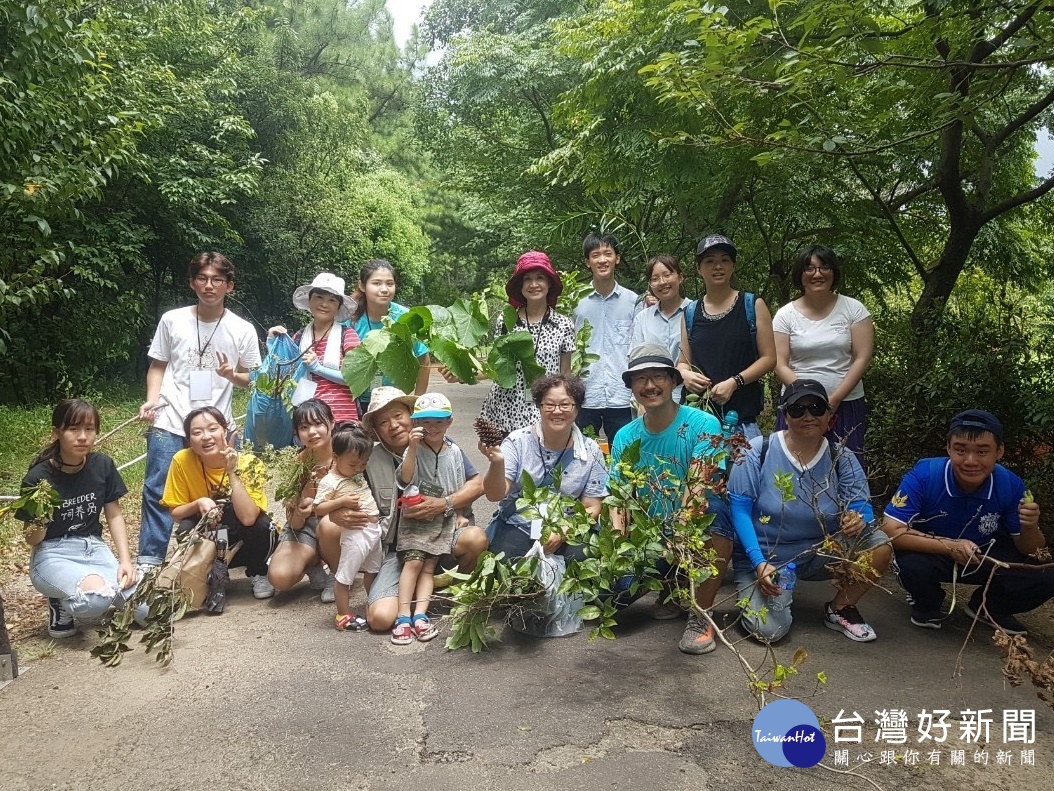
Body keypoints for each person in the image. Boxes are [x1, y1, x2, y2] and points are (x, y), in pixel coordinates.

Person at [728, 379, 891, 643]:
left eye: (816, 408)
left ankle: (840, 608)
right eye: (797, 409)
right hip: (765, 555)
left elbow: (862, 508)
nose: (808, 416)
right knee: (768, 631)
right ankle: (767, 593)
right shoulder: (757, 450)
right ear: (784, 415)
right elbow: (739, 510)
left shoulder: (842, 457)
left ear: (830, 416)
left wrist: (859, 520)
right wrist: (759, 561)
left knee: (879, 545)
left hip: (820, 552)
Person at [608, 344, 734, 656]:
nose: (649, 386)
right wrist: (617, 549)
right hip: (651, 533)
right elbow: (619, 498)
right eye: (640, 379)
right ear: (631, 387)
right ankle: (669, 589)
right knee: (613, 596)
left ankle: (701, 614)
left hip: (690, 527)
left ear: (674, 381)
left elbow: (699, 480)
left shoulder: (704, 424)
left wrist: (680, 531)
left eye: (657, 377)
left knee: (716, 513)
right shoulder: (625, 436)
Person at [137, 252, 261, 570]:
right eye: (202, 278)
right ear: (192, 283)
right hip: (170, 416)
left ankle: (228, 558)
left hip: (218, 426)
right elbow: (158, 365)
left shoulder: (242, 329)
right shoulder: (172, 320)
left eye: (217, 279)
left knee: (229, 489)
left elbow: (254, 378)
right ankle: (149, 562)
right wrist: (152, 399)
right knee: (157, 488)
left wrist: (231, 375)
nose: (209, 285)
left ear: (229, 286)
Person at [882, 409, 1052, 635]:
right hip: (933, 552)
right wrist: (950, 545)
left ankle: (988, 607)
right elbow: (891, 530)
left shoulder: (1011, 484)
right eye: (961, 450)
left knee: (1046, 571)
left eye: (982, 451)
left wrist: (1029, 526)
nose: (971, 461)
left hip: (982, 554)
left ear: (999, 451)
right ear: (949, 448)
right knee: (911, 565)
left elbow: (1033, 550)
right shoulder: (925, 475)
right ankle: (927, 602)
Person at [354, 387, 487, 632]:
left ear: (411, 416)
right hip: (397, 548)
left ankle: (446, 591)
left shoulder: (442, 443)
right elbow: (339, 482)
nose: (393, 425)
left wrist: (446, 504)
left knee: (475, 539)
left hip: (442, 534)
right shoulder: (368, 459)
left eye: (397, 416)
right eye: (383, 422)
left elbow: (478, 483)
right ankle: (410, 593)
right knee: (380, 619)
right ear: (375, 430)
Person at [17, 400, 139, 639]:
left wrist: (125, 561)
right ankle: (61, 600)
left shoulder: (102, 465)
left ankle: (96, 588)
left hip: (93, 547)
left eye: (90, 429)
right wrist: (41, 513)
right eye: (73, 429)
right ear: (57, 432)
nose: (83, 437)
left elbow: (114, 514)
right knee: (95, 600)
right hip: (53, 552)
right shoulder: (37, 479)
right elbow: (32, 539)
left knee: (145, 608)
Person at [480, 374, 608, 560]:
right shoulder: (517, 442)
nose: (557, 411)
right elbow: (494, 495)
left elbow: (591, 506)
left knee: (582, 561)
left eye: (565, 405)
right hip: (521, 525)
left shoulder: (591, 451)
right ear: (539, 407)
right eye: (549, 405)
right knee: (505, 563)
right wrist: (496, 463)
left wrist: (563, 532)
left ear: (577, 409)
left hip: (569, 526)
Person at [160, 406, 275, 600]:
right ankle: (210, 571)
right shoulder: (182, 460)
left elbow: (248, 518)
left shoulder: (250, 462)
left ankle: (258, 571)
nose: (206, 437)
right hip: (213, 536)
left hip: (244, 537)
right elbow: (176, 512)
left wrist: (232, 472)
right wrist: (198, 503)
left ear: (225, 429)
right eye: (197, 432)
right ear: (189, 440)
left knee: (262, 525)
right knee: (186, 528)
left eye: (212, 428)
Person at [773, 245, 874, 463]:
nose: (817, 274)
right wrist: (808, 397)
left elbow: (862, 357)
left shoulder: (854, 309)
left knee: (845, 464)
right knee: (792, 464)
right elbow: (779, 363)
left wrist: (833, 401)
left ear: (834, 272)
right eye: (809, 269)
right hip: (797, 405)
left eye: (824, 267)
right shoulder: (785, 315)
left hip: (846, 403)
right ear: (800, 275)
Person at [678, 235, 776, 438]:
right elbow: (683, 362)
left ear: (733, 266)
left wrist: (735, 382)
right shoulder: (690, 312)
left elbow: (769, 358)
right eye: (710, 261)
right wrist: (686, 376)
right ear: (699, 269)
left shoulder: (752, 305)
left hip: (741, 419)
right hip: (699, 419)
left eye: (724, 260)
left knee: (742, 469)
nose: (718, 266)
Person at [389, 393, 467, 644]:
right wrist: (411, 448)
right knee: (412, 562)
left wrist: (460, 514)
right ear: (415, 423)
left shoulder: (454, 451)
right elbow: (405, 478)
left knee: (429, 567)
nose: (432, 428)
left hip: (441, 517)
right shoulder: (413, 449)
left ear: (449, 422)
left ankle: (420, 615)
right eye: (425, 422)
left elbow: (458, 485)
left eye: (439, 421)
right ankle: (403, 616)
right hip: (415, 516)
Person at [477, 251, 577, 435]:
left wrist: (565, 410)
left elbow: (565, 375)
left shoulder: (564, 324)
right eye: (527, 279)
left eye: (540, 278)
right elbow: (498, 366)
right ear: (520, 286)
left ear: (549, 284)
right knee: (506, 463)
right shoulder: (506, 320)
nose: (534, 284)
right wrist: (466, 373)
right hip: (506, 408)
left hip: (544, 409)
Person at [267, 400, 341, 603]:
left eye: (318, 424)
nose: (312, 432)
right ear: (297, 433)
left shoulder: (346, 454)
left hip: (338, 526)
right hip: (306, 528)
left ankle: (339, 575)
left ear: (332, 423)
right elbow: (294, 521)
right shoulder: (297, 463)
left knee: (329, 526)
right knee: (279, 577)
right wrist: (299, 511)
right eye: (304, 427)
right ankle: (314, 562)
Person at [313, 423, 382, 631]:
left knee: (373, 570)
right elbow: (318, 507)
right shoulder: (330, 481)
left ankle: (374, 601)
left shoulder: (355, 473)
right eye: (353, 464)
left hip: (372, 532)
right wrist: (340, 503)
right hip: (356, 534)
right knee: (345, 576)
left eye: (363, 464)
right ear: (335, 457)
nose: (359, 469)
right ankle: (343, 615)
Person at [573, 231, 639, 442]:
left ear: (617, 258)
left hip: (622, 395)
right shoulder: (575, 301)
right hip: (585, 394)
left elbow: (639, 346)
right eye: (595, 255)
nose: (602, 259)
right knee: (582, 457)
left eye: (607, 253)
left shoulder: (633, 302)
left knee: (625, 457)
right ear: (587, 262)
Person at [269, 272, 360, 423]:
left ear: (338, 306)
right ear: (309, 300)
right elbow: (280, 373)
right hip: (307, 420)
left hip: (341, 420)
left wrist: (318, 368)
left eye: (332, 300)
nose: (324, 304)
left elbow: (354, 378)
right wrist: (272, 343)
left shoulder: (348, 335)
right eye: (319, 297)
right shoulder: (298, 337)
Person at [349, 259, 431, 410]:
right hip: (355, 400)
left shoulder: (406, 317)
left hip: (394, 399)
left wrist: (417, 403)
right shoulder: (350, 319)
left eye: (390, 283)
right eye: (377, 283)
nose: (384, 289)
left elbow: (424, 360)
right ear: (362, 286)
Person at [630, 255, 691, 405]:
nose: (662, 282)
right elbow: (635, 362)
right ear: (650, 284)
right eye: (655, 278)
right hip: (649, 398)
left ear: (680, 277)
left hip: (688, 398)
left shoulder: (696, 312)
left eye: (667, 275)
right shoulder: (642, 318)